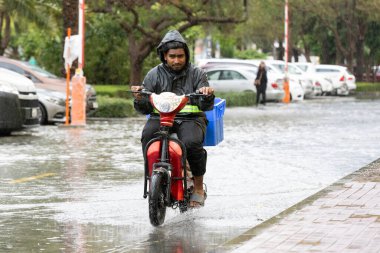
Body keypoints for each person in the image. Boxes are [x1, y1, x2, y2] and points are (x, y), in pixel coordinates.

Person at [131, 30, 215, 207]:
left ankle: (198, 188)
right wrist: (139, 98)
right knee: (147, 137)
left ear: (186, 55)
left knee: (191, 143)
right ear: (164, 56)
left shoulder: (197, 74)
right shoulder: (153, 75)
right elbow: (144, 107)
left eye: (180, 56)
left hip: (191, 119)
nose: (177, 60)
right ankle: (151, 177)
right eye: (172, 56)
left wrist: (206, 95)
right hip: (159, 118)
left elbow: (206, 105)